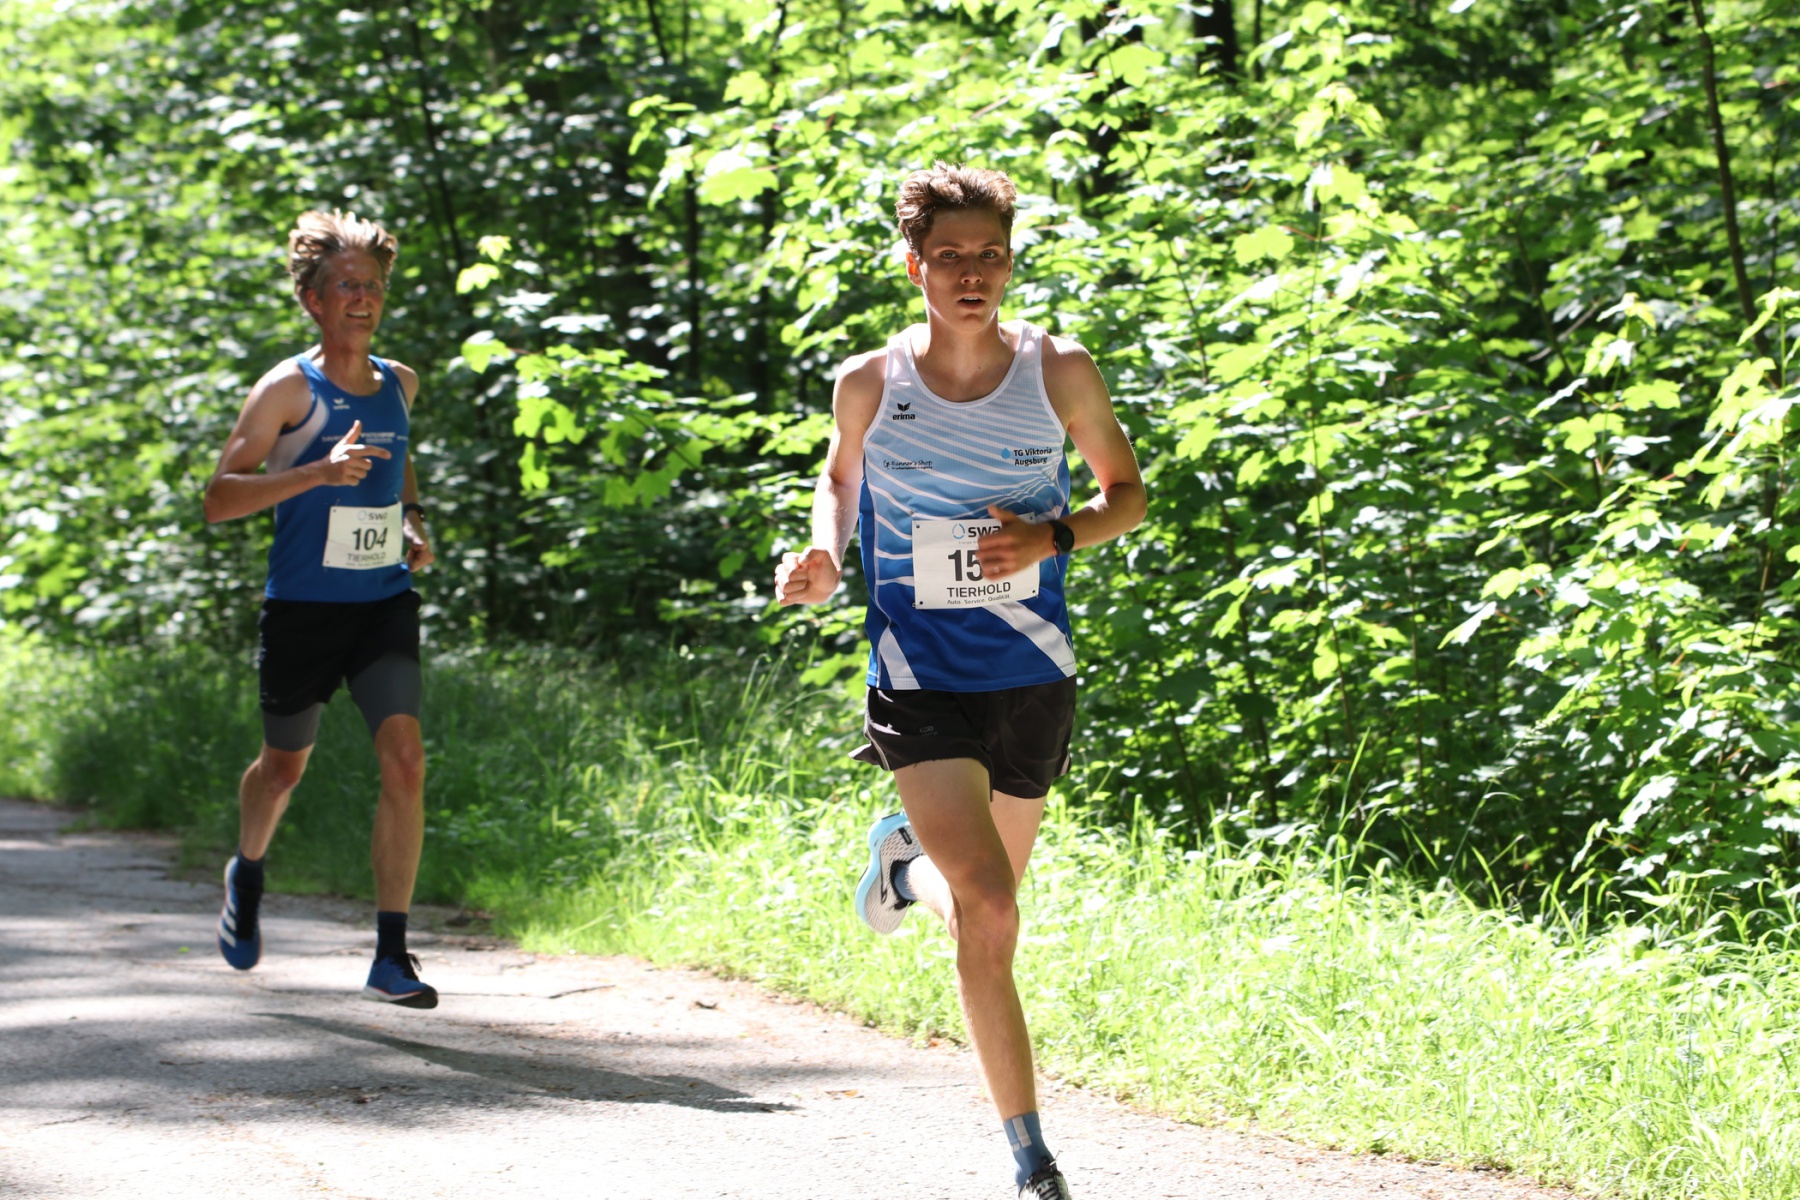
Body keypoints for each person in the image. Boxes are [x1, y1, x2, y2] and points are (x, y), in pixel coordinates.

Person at [775, 164, 1147, 1200]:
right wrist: (825, 555)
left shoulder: (1058, 369)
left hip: (1032, 673)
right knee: (989, 907)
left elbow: (1127, 495)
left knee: (987, 916)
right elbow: (841, 476)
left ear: (1010, 262)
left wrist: (1052, 536)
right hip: (919, 673)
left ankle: (903, 873)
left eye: (989, 254)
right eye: (949, 256)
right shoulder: (870, 382)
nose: (971, 273)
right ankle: (1033, 1160)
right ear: (915, 268)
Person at [203, 210, 438, 1008]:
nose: (363, 299)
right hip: (303, 608)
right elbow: (219, 499)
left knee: (405, 761)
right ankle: (248, 871)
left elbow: (398, 464)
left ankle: (391, 955)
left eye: (373, 285)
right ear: (313, 299)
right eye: (346, 286)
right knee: (281, 771)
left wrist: (411, 521)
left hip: (381, 603)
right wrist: (315, 473)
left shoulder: (401, 383)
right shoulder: (287, 389)